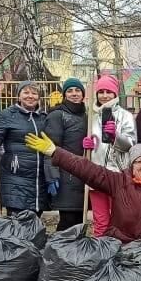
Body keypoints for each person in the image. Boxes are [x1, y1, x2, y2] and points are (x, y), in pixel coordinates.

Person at [0, 81, 49, 214]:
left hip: (38, 179)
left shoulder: (44, 118)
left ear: (39, 98)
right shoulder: (7, 115)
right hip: (15, 177)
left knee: (35, 222)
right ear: (18, 96)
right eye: (26, 92)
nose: (30, 96)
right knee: (17, 223)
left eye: (34, 93)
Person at [82, 74, 136, 236]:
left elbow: (131, 144)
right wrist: (88, 147)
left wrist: (115, 137)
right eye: (101, 91)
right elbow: (92, 145)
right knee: (100, 221)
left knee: (118, 219)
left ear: (115, 94)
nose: (105, 95)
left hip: (117, 175)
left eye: (108, 92)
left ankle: (117, 252)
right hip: (96, 175)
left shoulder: (125, 116)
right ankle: (100, 254)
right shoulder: (91, 116)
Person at [44, 77, 89, 231]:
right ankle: (59, 251)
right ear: (64, 95)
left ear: (83, 94)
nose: (74, 94)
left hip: (83, 174)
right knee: (67, 221)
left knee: (79, 221)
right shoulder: (57, 115)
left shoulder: (87, 116)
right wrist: (52, 175)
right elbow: (50, 147)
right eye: (69, 91)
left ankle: (75, 253)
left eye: (77, 90)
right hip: (65, 175)